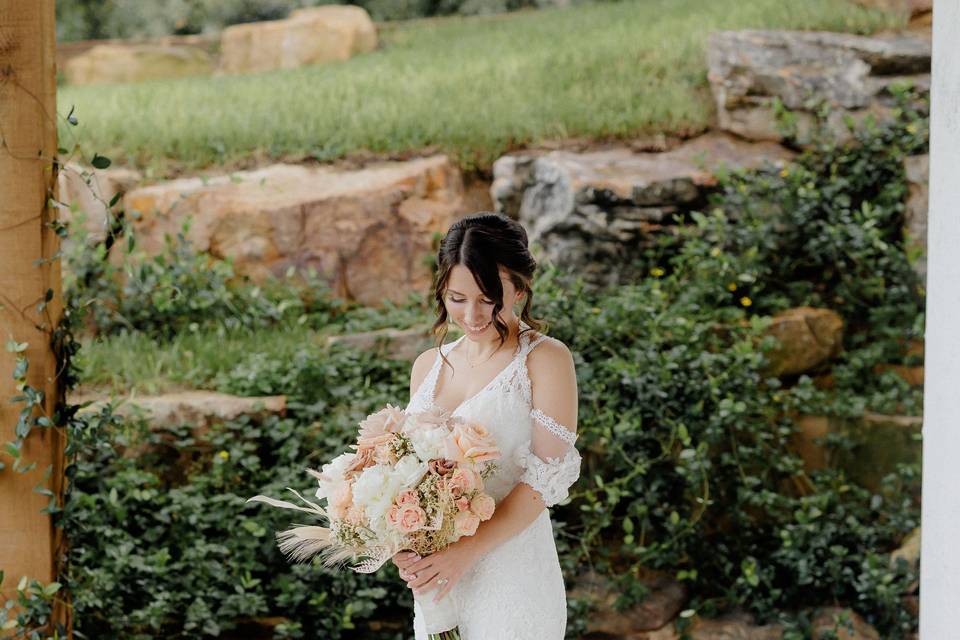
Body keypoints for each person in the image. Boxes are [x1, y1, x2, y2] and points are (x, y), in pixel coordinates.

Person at [393, 212, 582, 639]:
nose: (472, 314)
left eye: (488, 297)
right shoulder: (427, 367)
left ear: (518, 287)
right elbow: (407, 476)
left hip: (511, 573)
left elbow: (544, 480)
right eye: (457, 298)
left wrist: (467, 552)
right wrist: (401, 542)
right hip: (438, 581)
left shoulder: (545, 359)